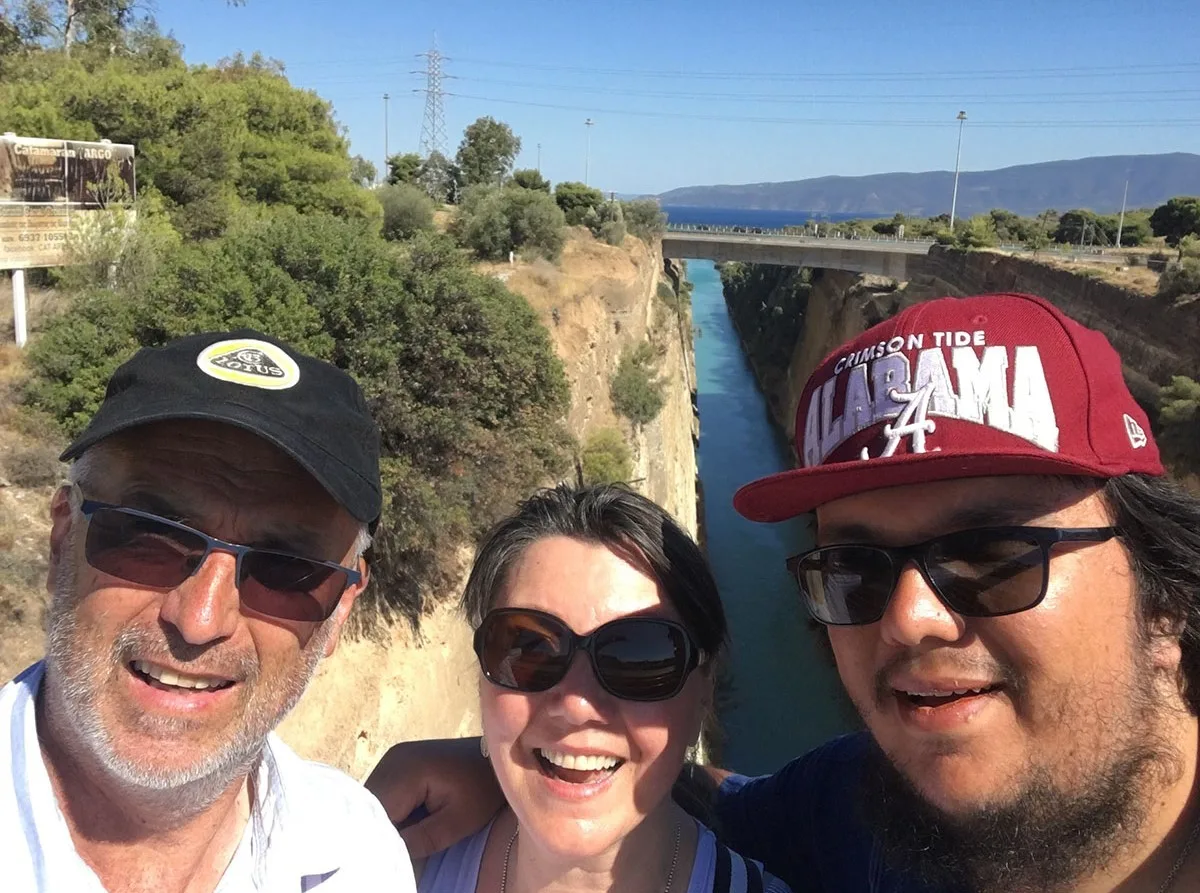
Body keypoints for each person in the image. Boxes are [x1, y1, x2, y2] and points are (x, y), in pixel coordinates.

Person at [366, 292, 1200, 892]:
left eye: (993, 556)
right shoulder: (855, 802)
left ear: (1165, 592)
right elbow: (713, 796)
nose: (908, 615)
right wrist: (506, 764)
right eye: (857, 571)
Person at [2, 330, 417, 891]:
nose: (199, 620)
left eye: (286, 569)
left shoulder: (360, 856)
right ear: (60, 542)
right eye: (149, 536)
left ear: (341, 608)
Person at [417, 483, 790, 893]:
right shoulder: (380, 865)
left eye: (638, 658)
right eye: (529, 647)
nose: (576, 704)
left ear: (704, 689)